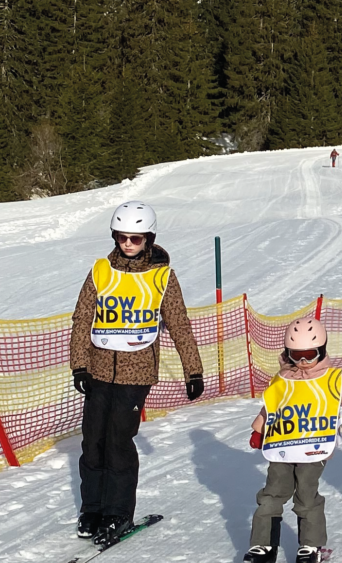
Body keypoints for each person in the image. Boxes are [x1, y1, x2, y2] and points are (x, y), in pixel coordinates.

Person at [69, 201, 205, 545]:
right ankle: (93, 508)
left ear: (149, 238)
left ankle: (117, 511)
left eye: (136, 238)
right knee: (93, 441)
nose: (128, 244)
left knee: (117, 441)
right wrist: (79, 364)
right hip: (99, 368)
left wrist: (193, 371)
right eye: (122, 237)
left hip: (137, 373)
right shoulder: (101, 270)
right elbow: (83, 317)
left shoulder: (162, 275)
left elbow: (178, 322)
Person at [243, 318, 342, 563]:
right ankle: (263, 545)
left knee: (306, 494)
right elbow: (271, 408)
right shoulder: (282, 379)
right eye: (296, 355)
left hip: (313, 448)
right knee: (272, 494)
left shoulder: (333, 378)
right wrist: (259, 430)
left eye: (309, 355)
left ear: (321, 350)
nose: (302, 362)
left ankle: (310, 546)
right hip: (282, 447)